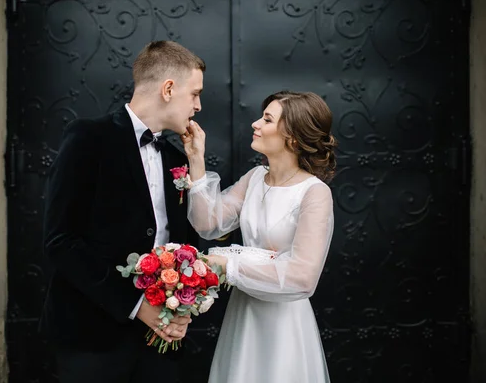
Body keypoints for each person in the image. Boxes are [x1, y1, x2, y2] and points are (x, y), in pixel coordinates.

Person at [41, 41, 205, 383]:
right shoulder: (89, 138)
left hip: (161, 339)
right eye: (194, 94)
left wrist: (180, 306)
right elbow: (61, 241)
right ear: (169, 89)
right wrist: (136, 305)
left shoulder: (177, 160)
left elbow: (185, 244)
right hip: (93, 336)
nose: (198, 106)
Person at [182, 90, 336, 382]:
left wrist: (228, 265)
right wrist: (196, 159)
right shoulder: (254, 179)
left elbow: (302, 277)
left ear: (292, 136)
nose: (255, 123)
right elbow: (208, 223)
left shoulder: (314, 193)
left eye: (267, 119)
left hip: (284, 324)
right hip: (245, 313)